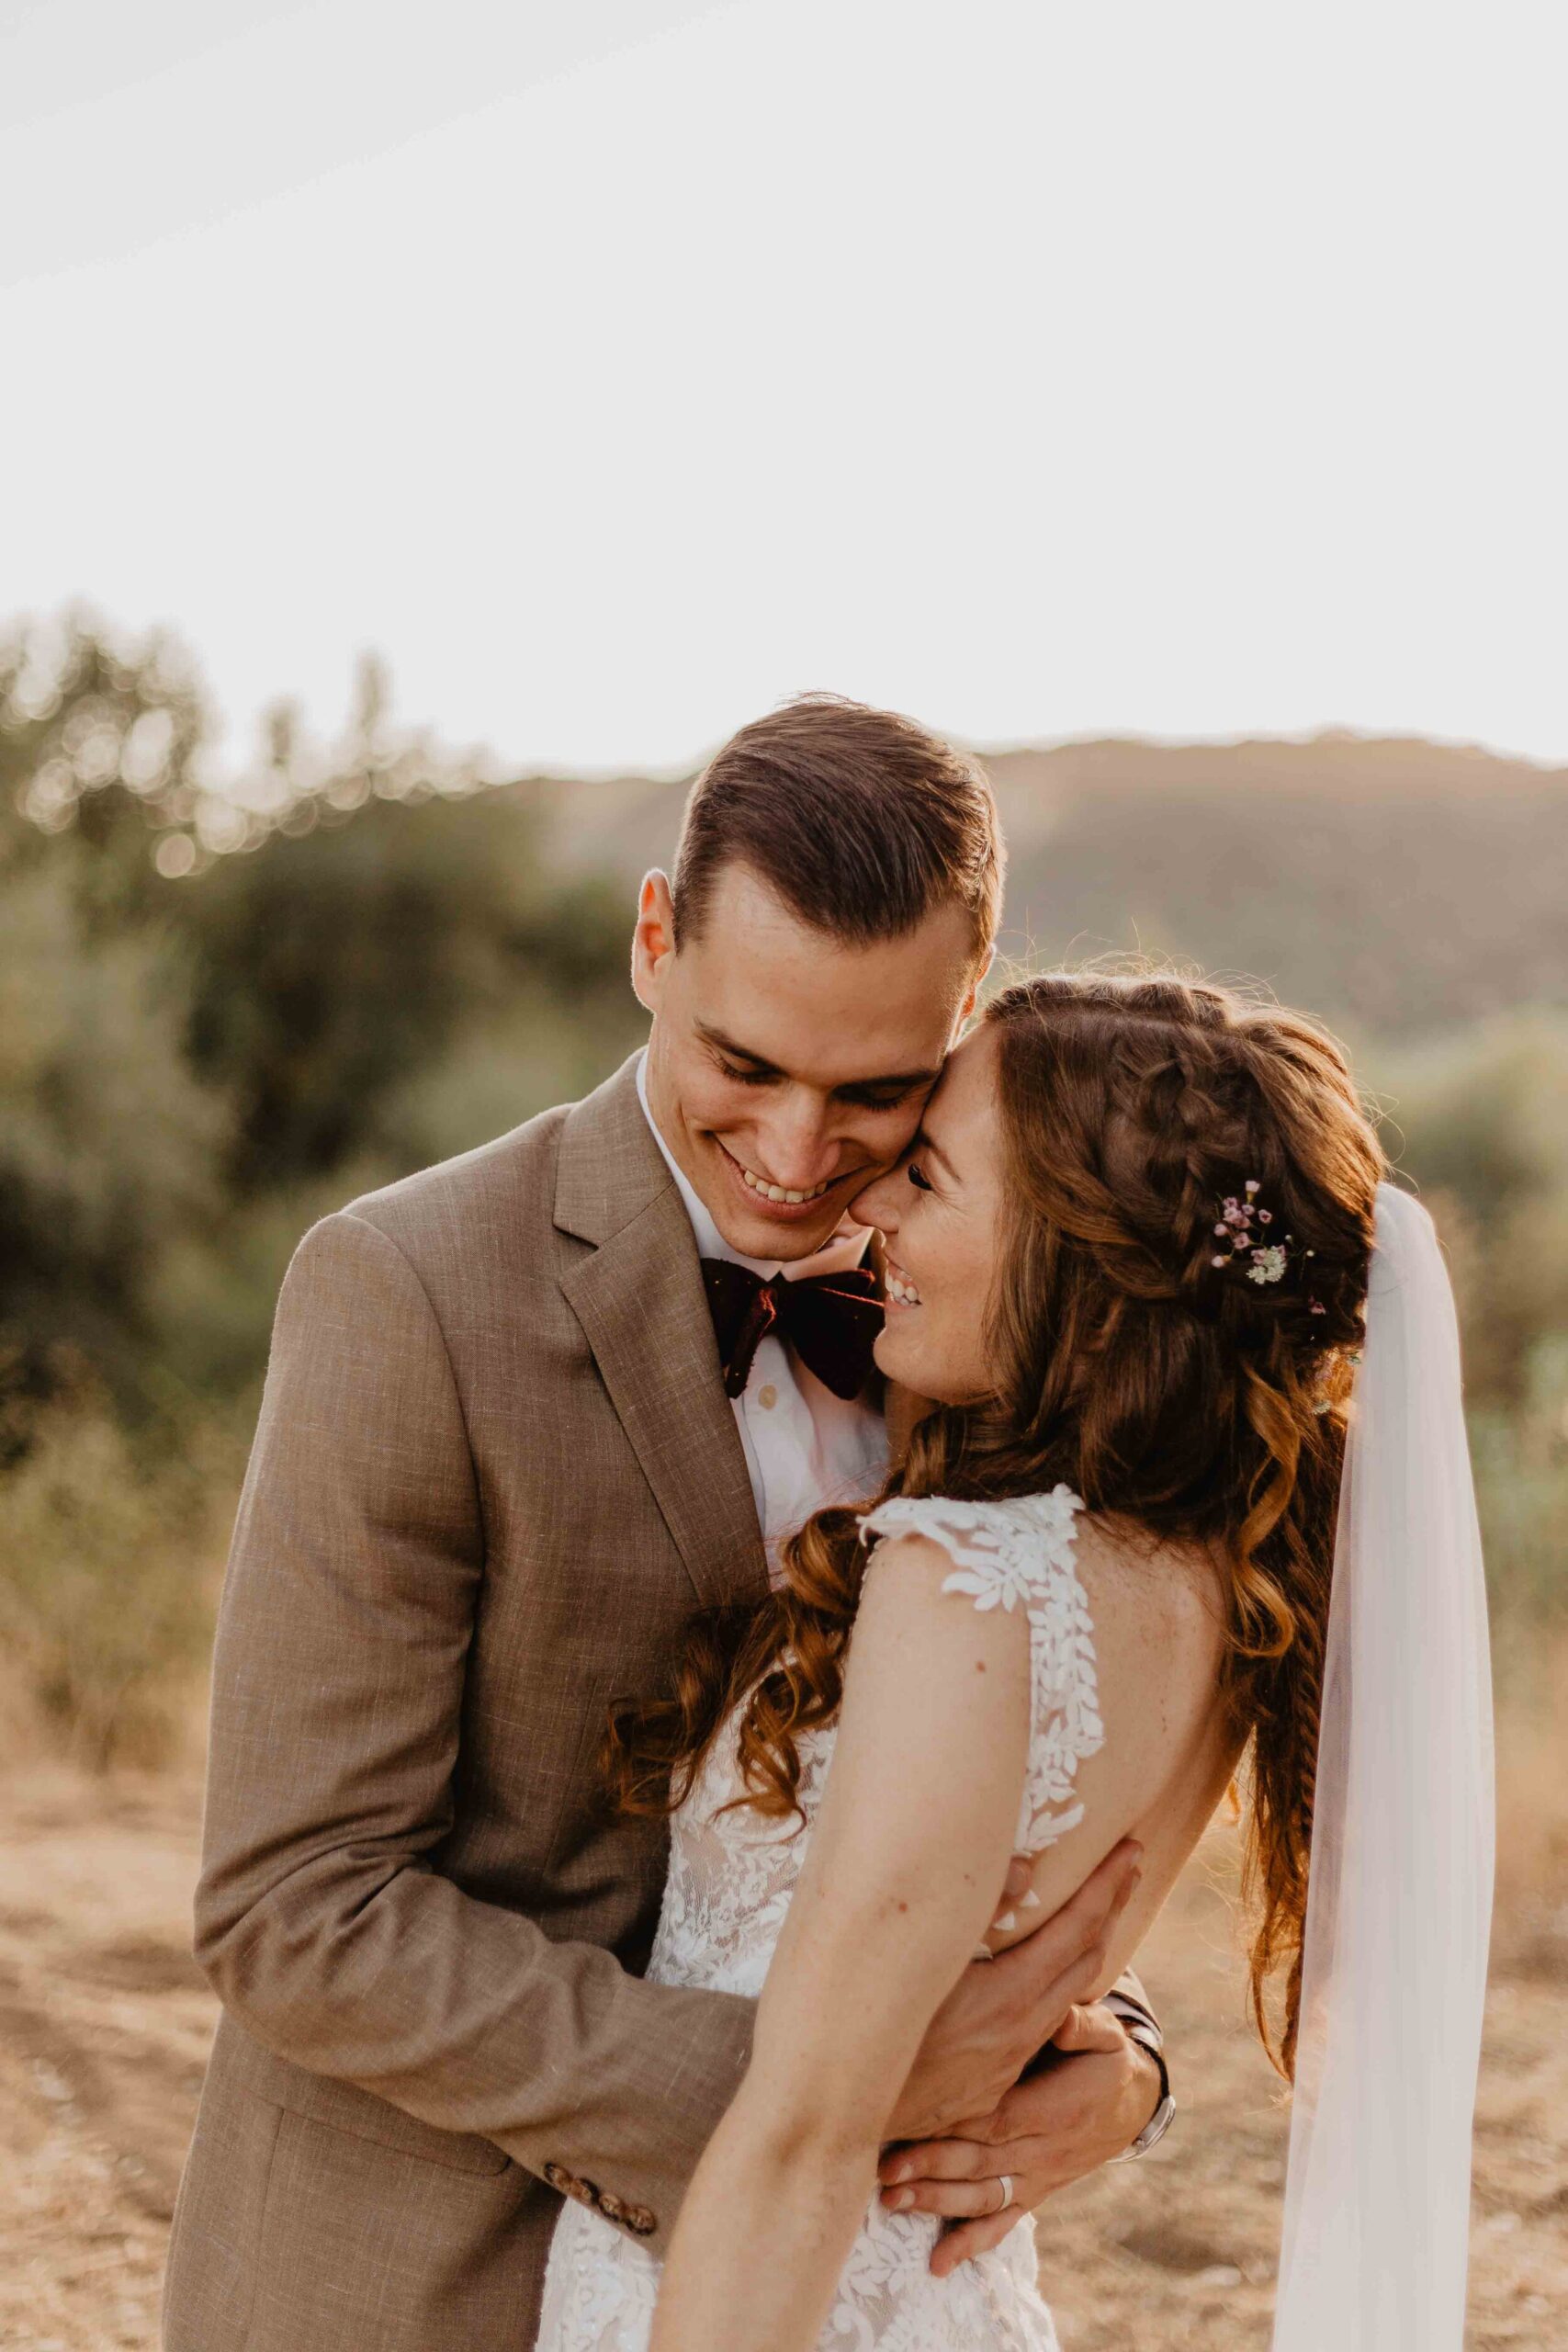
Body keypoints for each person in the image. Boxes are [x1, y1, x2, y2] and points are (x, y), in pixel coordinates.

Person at [161, 699, 1166, 2352]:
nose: (794, 1154)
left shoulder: (974, 1323)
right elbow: (296, 1903)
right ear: (653, 942)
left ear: (966, 1013)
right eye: (743, 1064)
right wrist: (811, 2088)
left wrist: (1113, 2057)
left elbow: (996, 1776)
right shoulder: (403, 1290)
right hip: (417, 2282)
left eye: (874, 1091)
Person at [533, 970, 1492, 2352]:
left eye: (925, 1175)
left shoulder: (966, 1577)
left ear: (1081, 1264)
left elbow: (804, 2145)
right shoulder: (1230, 1585)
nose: (870, 1209)